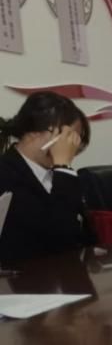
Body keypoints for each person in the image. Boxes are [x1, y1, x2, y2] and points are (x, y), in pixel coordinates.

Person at [0, 92, 96, 262]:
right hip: (27, 275)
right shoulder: (6, 174)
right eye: (66, 138)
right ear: (34, 132)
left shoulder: (60, 176)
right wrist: (63, 167)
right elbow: (58, 237)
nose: (70, 148)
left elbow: (80, 235)